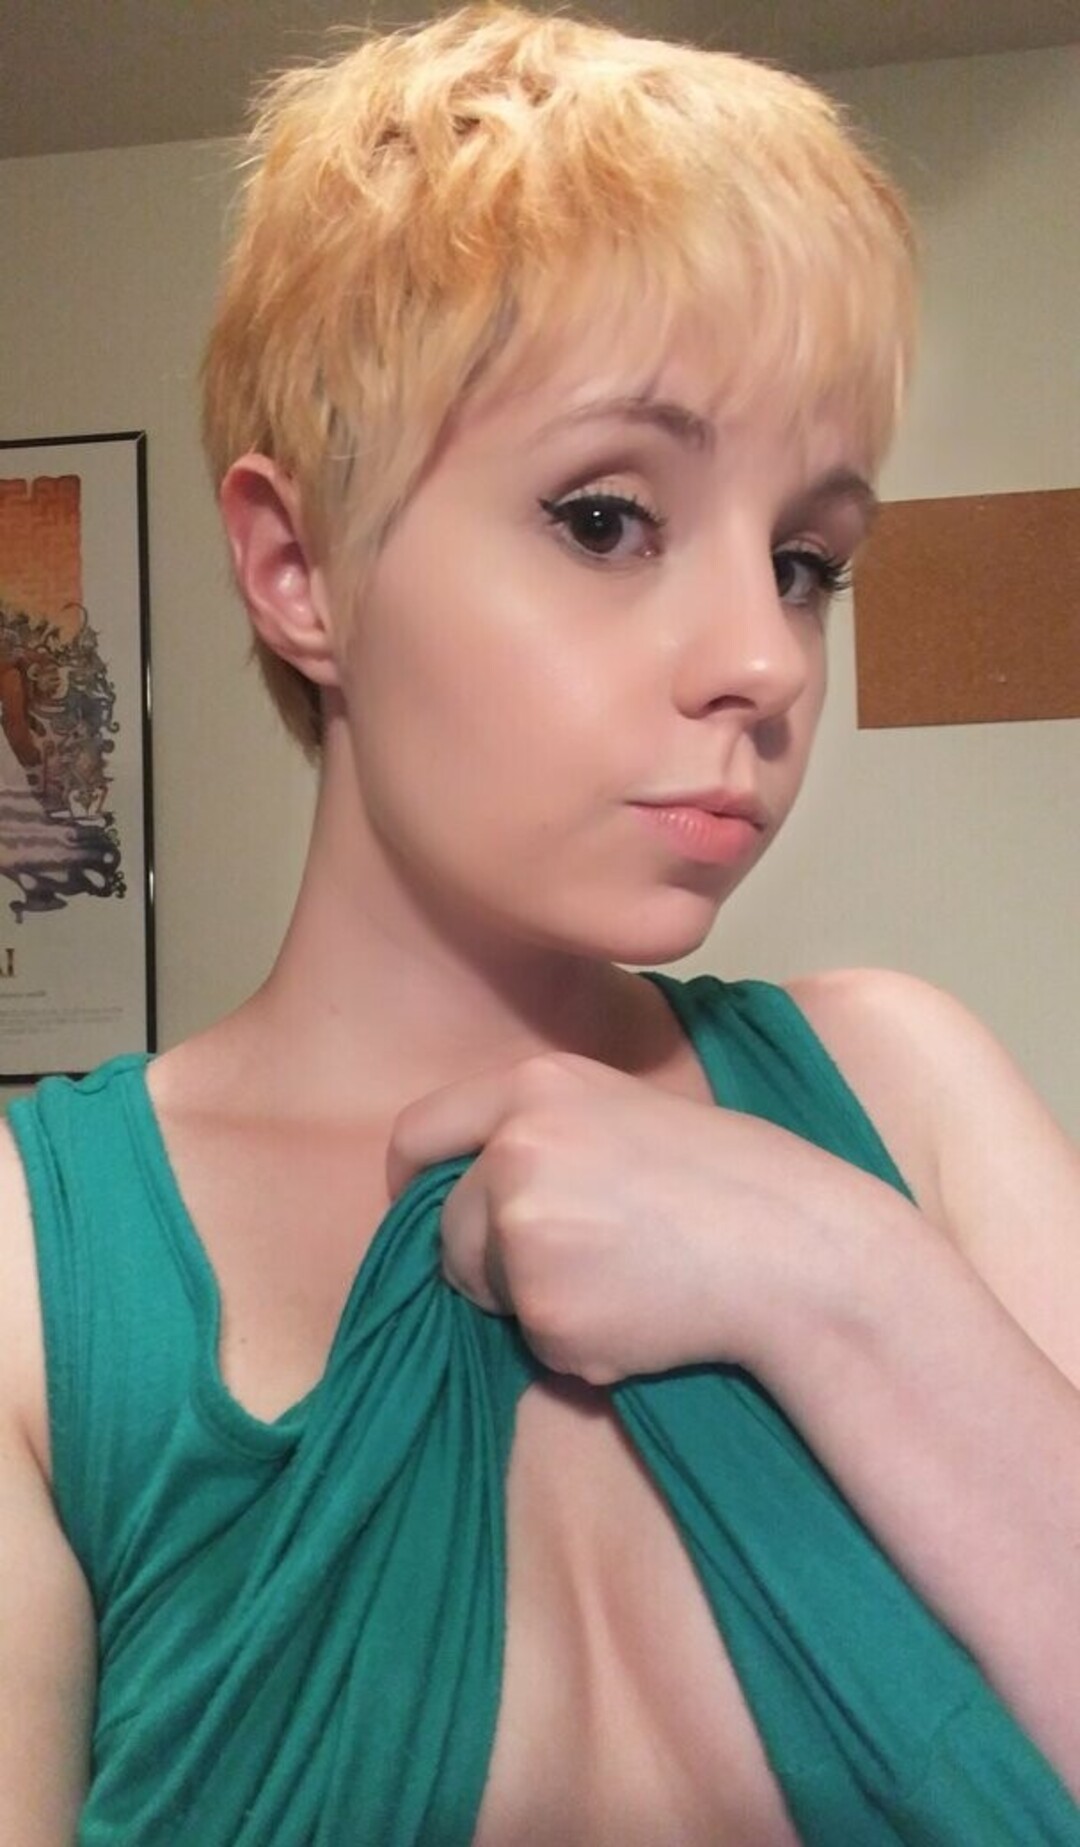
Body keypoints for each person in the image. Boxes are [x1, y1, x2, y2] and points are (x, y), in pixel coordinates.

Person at [2, 5, 1078, 1842]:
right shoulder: (37, 1274)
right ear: (298, 567)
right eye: (605, 518)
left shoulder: (909, 1100)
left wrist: (847, 1282)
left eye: (805, 562)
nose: (764, 662)